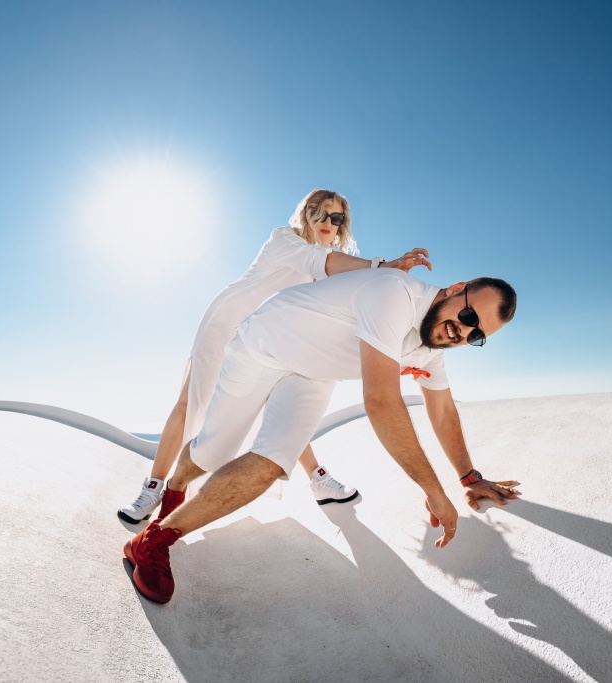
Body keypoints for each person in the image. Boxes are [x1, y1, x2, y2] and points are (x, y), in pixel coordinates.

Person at [123, 266, 520, 603]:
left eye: (476, 336)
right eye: (469, 316)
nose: (463, 332)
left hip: (313, 374)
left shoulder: (432, 349)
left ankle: (152, 541)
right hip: (262, 346)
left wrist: (469, 478)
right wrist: (433, 491)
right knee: (213, 453)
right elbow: (381, 402)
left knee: (273, 463)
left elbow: (444, 411)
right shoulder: (396, 293)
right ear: (455, 290)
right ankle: (174, 489)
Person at [118, 189, 432, 524]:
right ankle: (154, 488)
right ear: (306, 214)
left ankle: (318, 478)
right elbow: (321, 262)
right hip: (228, 323)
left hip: (270, 340)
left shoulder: (335, 266)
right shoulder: (285, 240)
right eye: (319, 212)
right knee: (192, 401)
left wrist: (398, 357)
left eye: (336, 217)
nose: (327, 222)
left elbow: (353, 311)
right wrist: (384, 266)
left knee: (286, 405)